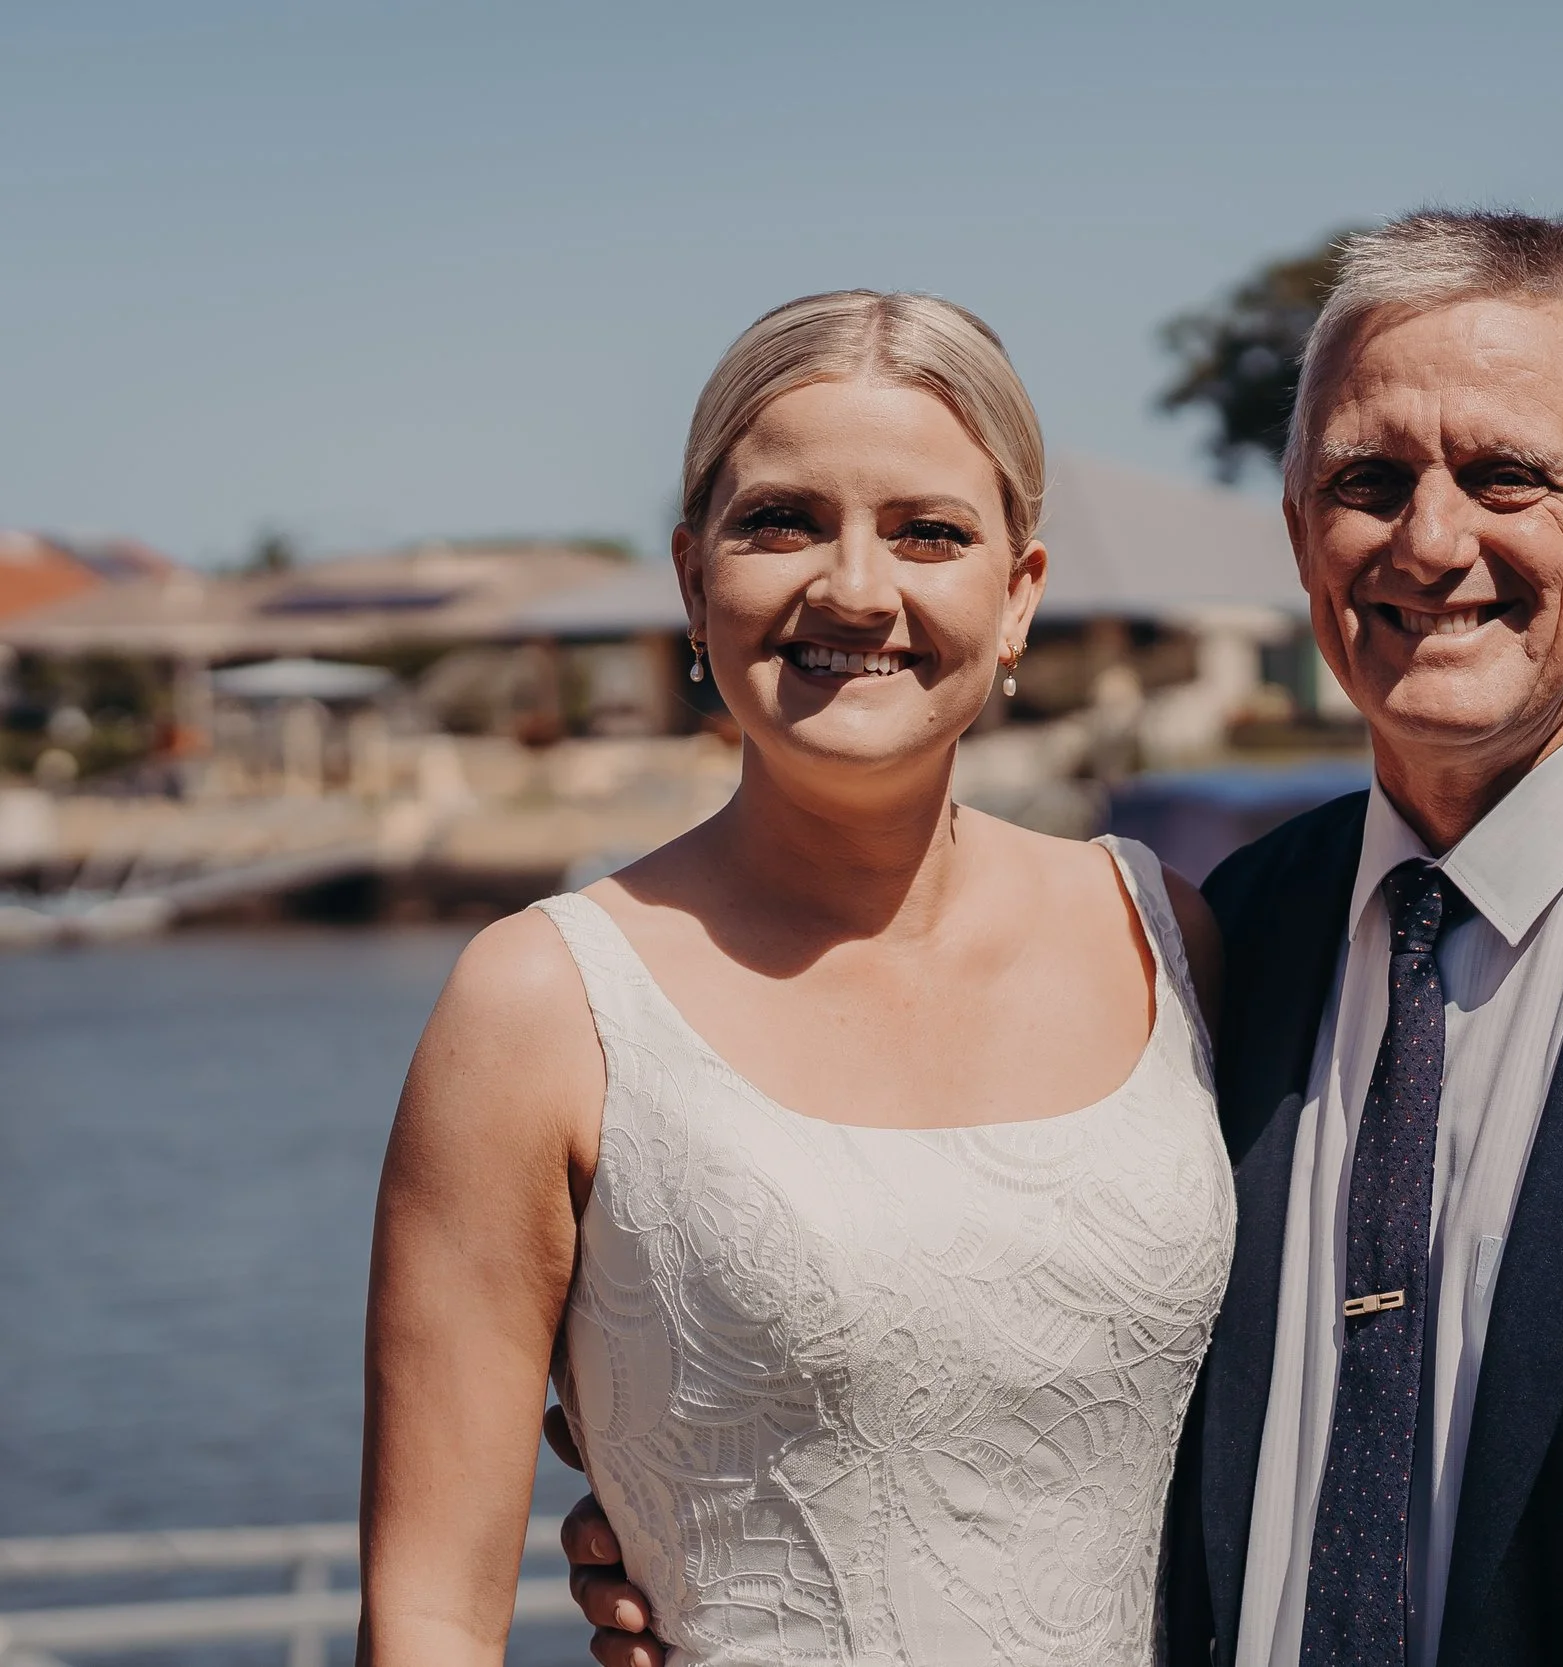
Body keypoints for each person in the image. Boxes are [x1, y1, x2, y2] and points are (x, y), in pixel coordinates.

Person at [567, 212, 1563, 1665]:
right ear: (1302, 527)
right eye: (1367, 482)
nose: (1427, 542)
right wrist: (713, 1500)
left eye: (1508, 477)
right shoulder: (1201, 951)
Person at [359, 291, 1235, 1667]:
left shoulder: (1167, 936)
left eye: (929, 531)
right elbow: (428, 1619)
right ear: (692, 576)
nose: (855, 588)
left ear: (1019, 594)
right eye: (781, 521)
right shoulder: (542, 1005)